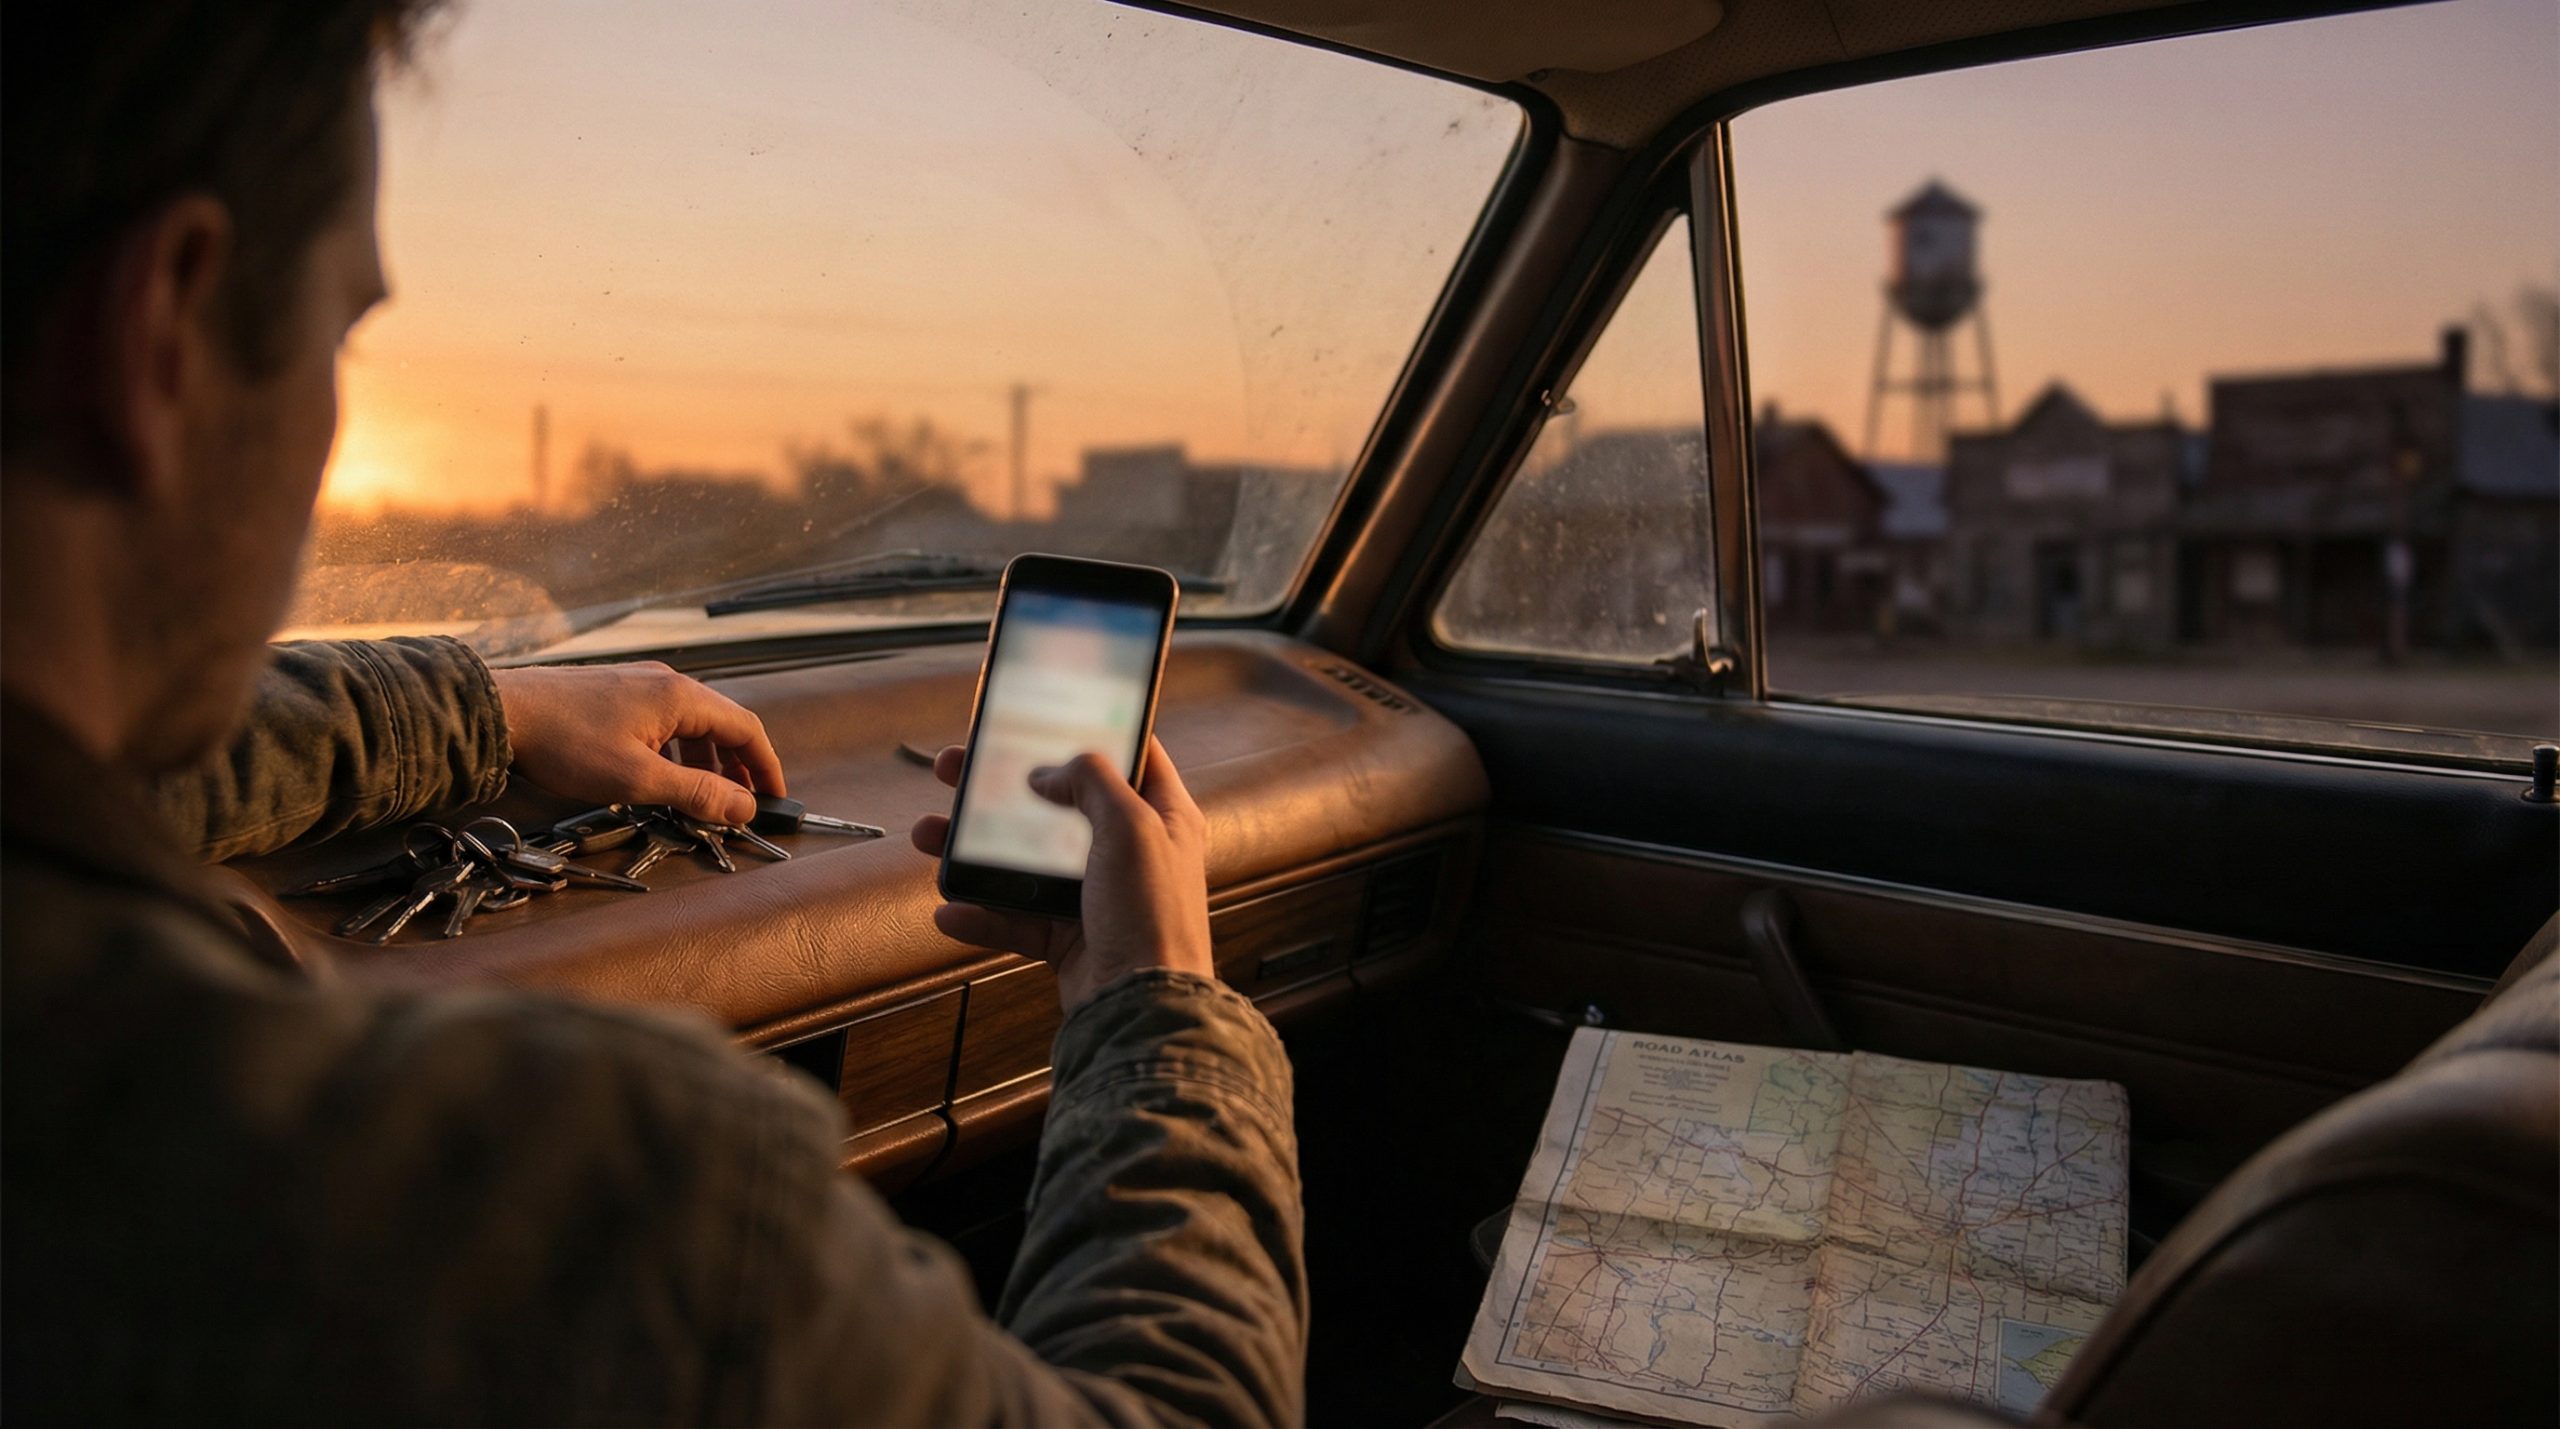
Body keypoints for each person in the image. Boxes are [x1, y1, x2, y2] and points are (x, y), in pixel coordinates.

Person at [0, 3, 1306, 1424]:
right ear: (163, 331)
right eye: (340, 333)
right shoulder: (626, 1209)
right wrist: (1159, 1007)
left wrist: (484, 714)